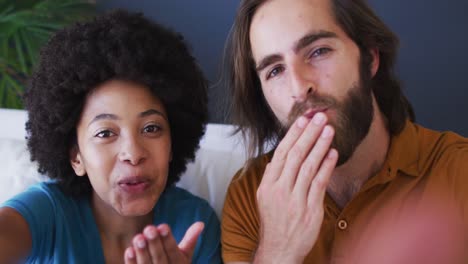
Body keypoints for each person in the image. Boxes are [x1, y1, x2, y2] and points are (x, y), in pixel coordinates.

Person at [221, 0, 468, 263]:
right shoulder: (249, 196)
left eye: (318, 52)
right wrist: (277, 251)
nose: (299, 87)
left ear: (369, 57)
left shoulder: (459, 171)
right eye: (276, 70)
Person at [0, 10, 221, 263]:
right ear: (76, 156)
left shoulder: (194, 224)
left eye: (151, 128)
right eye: (105, 133)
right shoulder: (45, 213)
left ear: (172, 143)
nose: (133, 153)